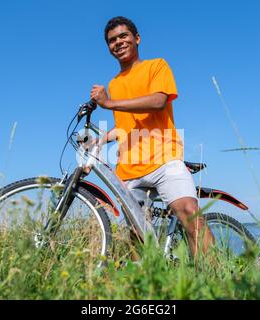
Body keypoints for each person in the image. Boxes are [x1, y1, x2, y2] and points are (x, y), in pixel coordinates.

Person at [90, 16, 213, 258]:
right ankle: (148, 285)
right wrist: (100, 141)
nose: (118, 42)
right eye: (112, 40)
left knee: (189, 213)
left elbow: (159, 101)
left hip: (164, 158)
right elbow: (124, 126)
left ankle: (212, 286)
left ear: (137, 38)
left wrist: (108, 103)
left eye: (123, 36)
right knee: (136, 235)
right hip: (129, 169)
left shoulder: (157, 66)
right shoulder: (114, 83)